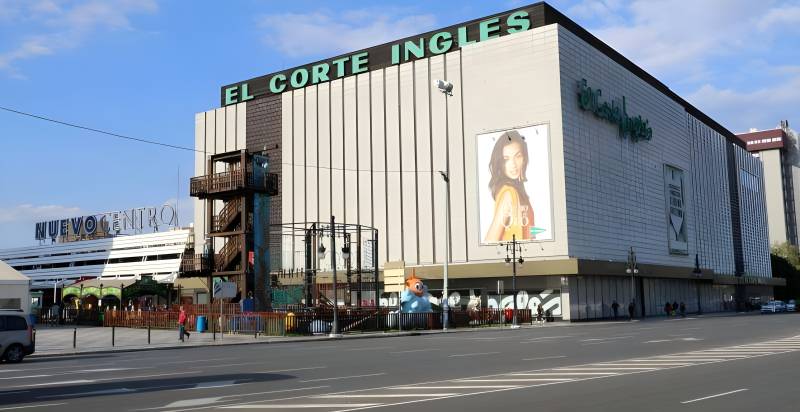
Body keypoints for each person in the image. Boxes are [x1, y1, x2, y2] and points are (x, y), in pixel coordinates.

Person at [484, 130, 536, 242]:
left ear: (524, 158)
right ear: (500, 163)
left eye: (518, 156)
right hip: (513, 257)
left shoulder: (520, 193)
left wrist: (542, 232)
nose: (513, 164)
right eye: (506, 159)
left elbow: (530, 231)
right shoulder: (509, 194)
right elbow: (490, 240)